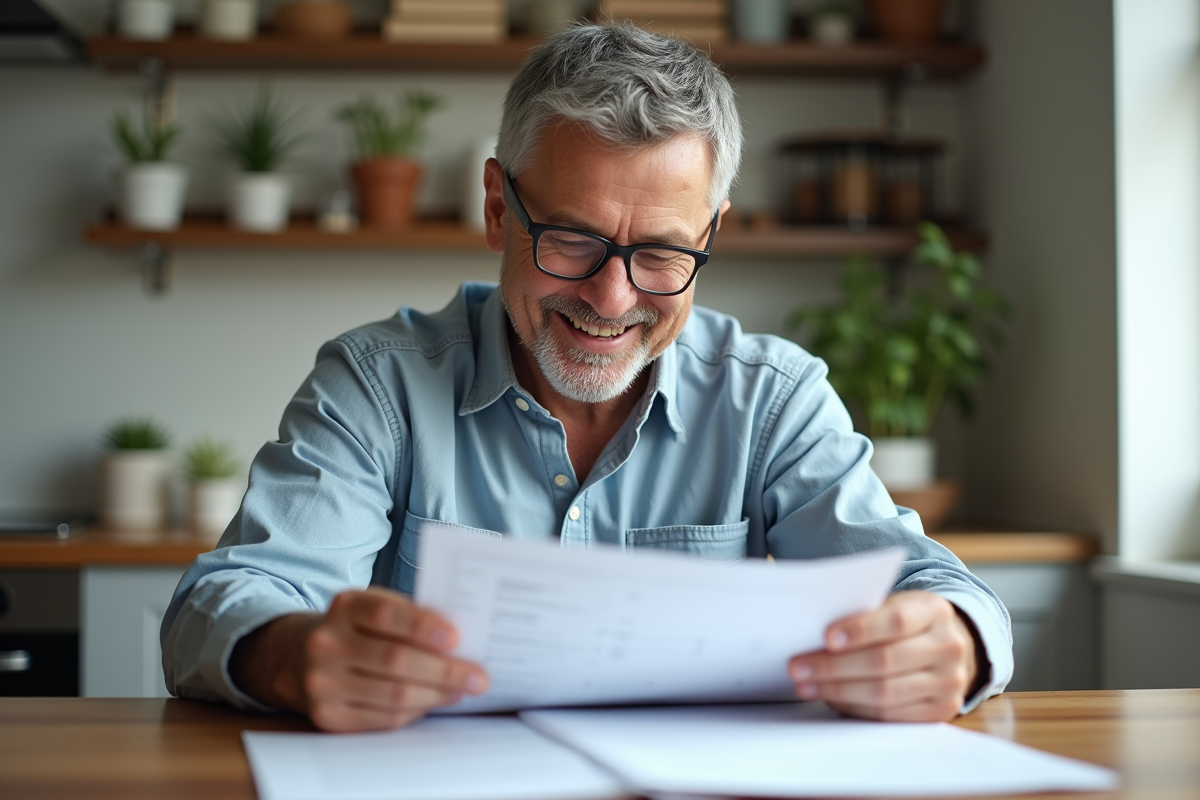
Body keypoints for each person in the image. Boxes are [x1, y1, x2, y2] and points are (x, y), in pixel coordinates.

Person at [161, 23, 1012, 733]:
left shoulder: (773, 401)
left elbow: (934, 588)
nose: (612, 298)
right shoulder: (378, 387)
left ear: (711, 235)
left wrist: (951, 642)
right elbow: (224, 601)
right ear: (499, 206)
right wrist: (293, 655)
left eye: (661, 253)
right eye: (571, 239)